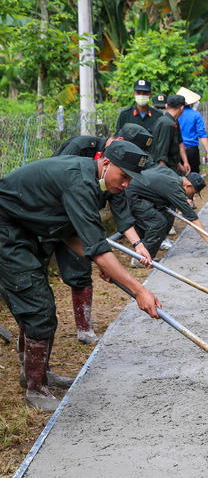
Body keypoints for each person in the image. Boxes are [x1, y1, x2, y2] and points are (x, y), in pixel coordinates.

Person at [0, 142, 161, 412]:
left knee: (39, 304)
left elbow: (70, 234)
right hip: (7, 230)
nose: (125, 185)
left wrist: (103, 263)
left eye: (131, 180)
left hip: (23, 229)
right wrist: (138, 290)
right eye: (123, 177)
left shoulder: (90, 180)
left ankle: (36, 373)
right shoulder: (79, 181)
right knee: (39, 308)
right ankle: (35, 390)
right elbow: (97, 247)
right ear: (106, 164)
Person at [49, 124, 154, 344]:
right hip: (52, 215)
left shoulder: (118, 173)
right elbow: (55, 178)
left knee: (83, 267)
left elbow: (121, 210)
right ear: (118, 143)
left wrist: (138, 244)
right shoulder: (81, 147)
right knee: (35, 283)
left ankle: (84, 330)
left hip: (78, 225)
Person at [126, 164, 208, 262]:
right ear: (188, 185)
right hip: (131, 195)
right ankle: (142, 260)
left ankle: (144, 251)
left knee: (163, 216)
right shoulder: (175, 188)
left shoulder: (171, 174)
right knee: (158, 223)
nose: (191, 195)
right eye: (193, 193)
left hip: (136, 191)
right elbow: (192, 217)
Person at [150, 94, 190, 175]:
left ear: (166, 106)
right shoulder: (168, 124)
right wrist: (164, 176)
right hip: (165, 170)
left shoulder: (168, 121)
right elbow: (162, 154)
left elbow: (171, 149)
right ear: (182, 108)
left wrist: (178, 164)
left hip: (170, 168)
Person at [178, 93, 208, 174]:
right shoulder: (195, 114)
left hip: (178, 150)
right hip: (192, 150)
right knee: (193, 176)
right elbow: (202, 134)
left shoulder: (175, 114)